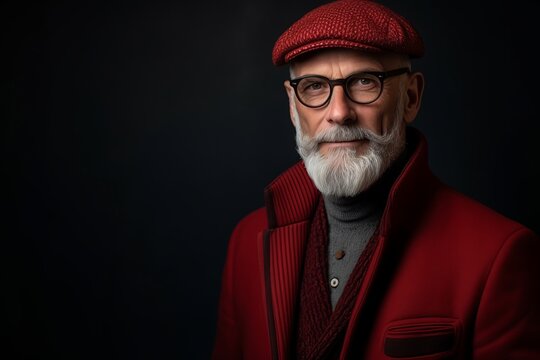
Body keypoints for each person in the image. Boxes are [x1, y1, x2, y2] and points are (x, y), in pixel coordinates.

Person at [212, 0, 540, 359]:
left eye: (365, 82)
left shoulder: (497, 253)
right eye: (314, 87)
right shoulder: (246, 242)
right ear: (293, 106)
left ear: (411, 97)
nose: (339, 113)